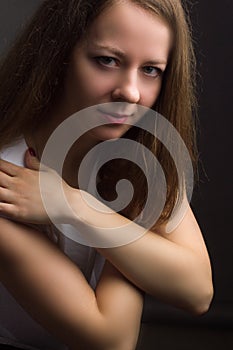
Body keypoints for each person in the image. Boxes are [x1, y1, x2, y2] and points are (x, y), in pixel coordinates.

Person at [0, 0, 213, 349]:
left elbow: (198, 290)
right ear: (59, 57)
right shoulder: (7, 178)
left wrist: (74, 206)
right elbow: (112, 339)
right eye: (107, 61)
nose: (129, 92)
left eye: (151, 70)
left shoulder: (133, 160)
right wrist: (134, 234)